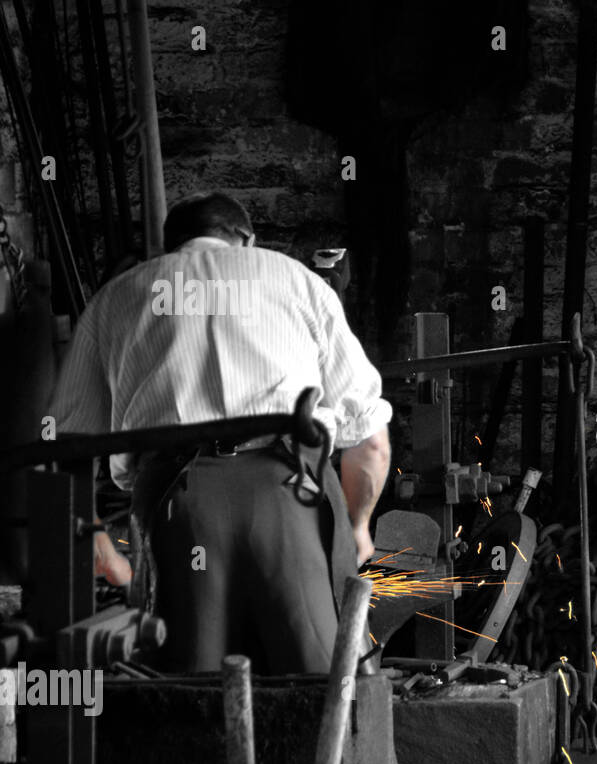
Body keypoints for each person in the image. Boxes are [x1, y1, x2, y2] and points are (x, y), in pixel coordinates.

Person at [49, 192, 391, 673]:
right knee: (321, 682)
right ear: (246, 240)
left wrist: (102, 548)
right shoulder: (297, 281)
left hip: (175, 506)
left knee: (188, 689)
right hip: (290, 496)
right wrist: (357, 527)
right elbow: (370, 439)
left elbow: (66, 444)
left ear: (168, 249)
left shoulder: (116, 298)